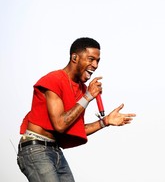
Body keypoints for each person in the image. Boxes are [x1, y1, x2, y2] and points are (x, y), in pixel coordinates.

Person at [17, 37, 136, 182]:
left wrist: (105, 121)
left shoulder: (82, 89)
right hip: (35, 149)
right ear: (75, 58)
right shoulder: (54, 79)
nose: (95, 65)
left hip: (55, 150)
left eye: (98, 61)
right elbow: (60, 124)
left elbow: (74, 128)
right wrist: (87, 97)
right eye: (91, 59)